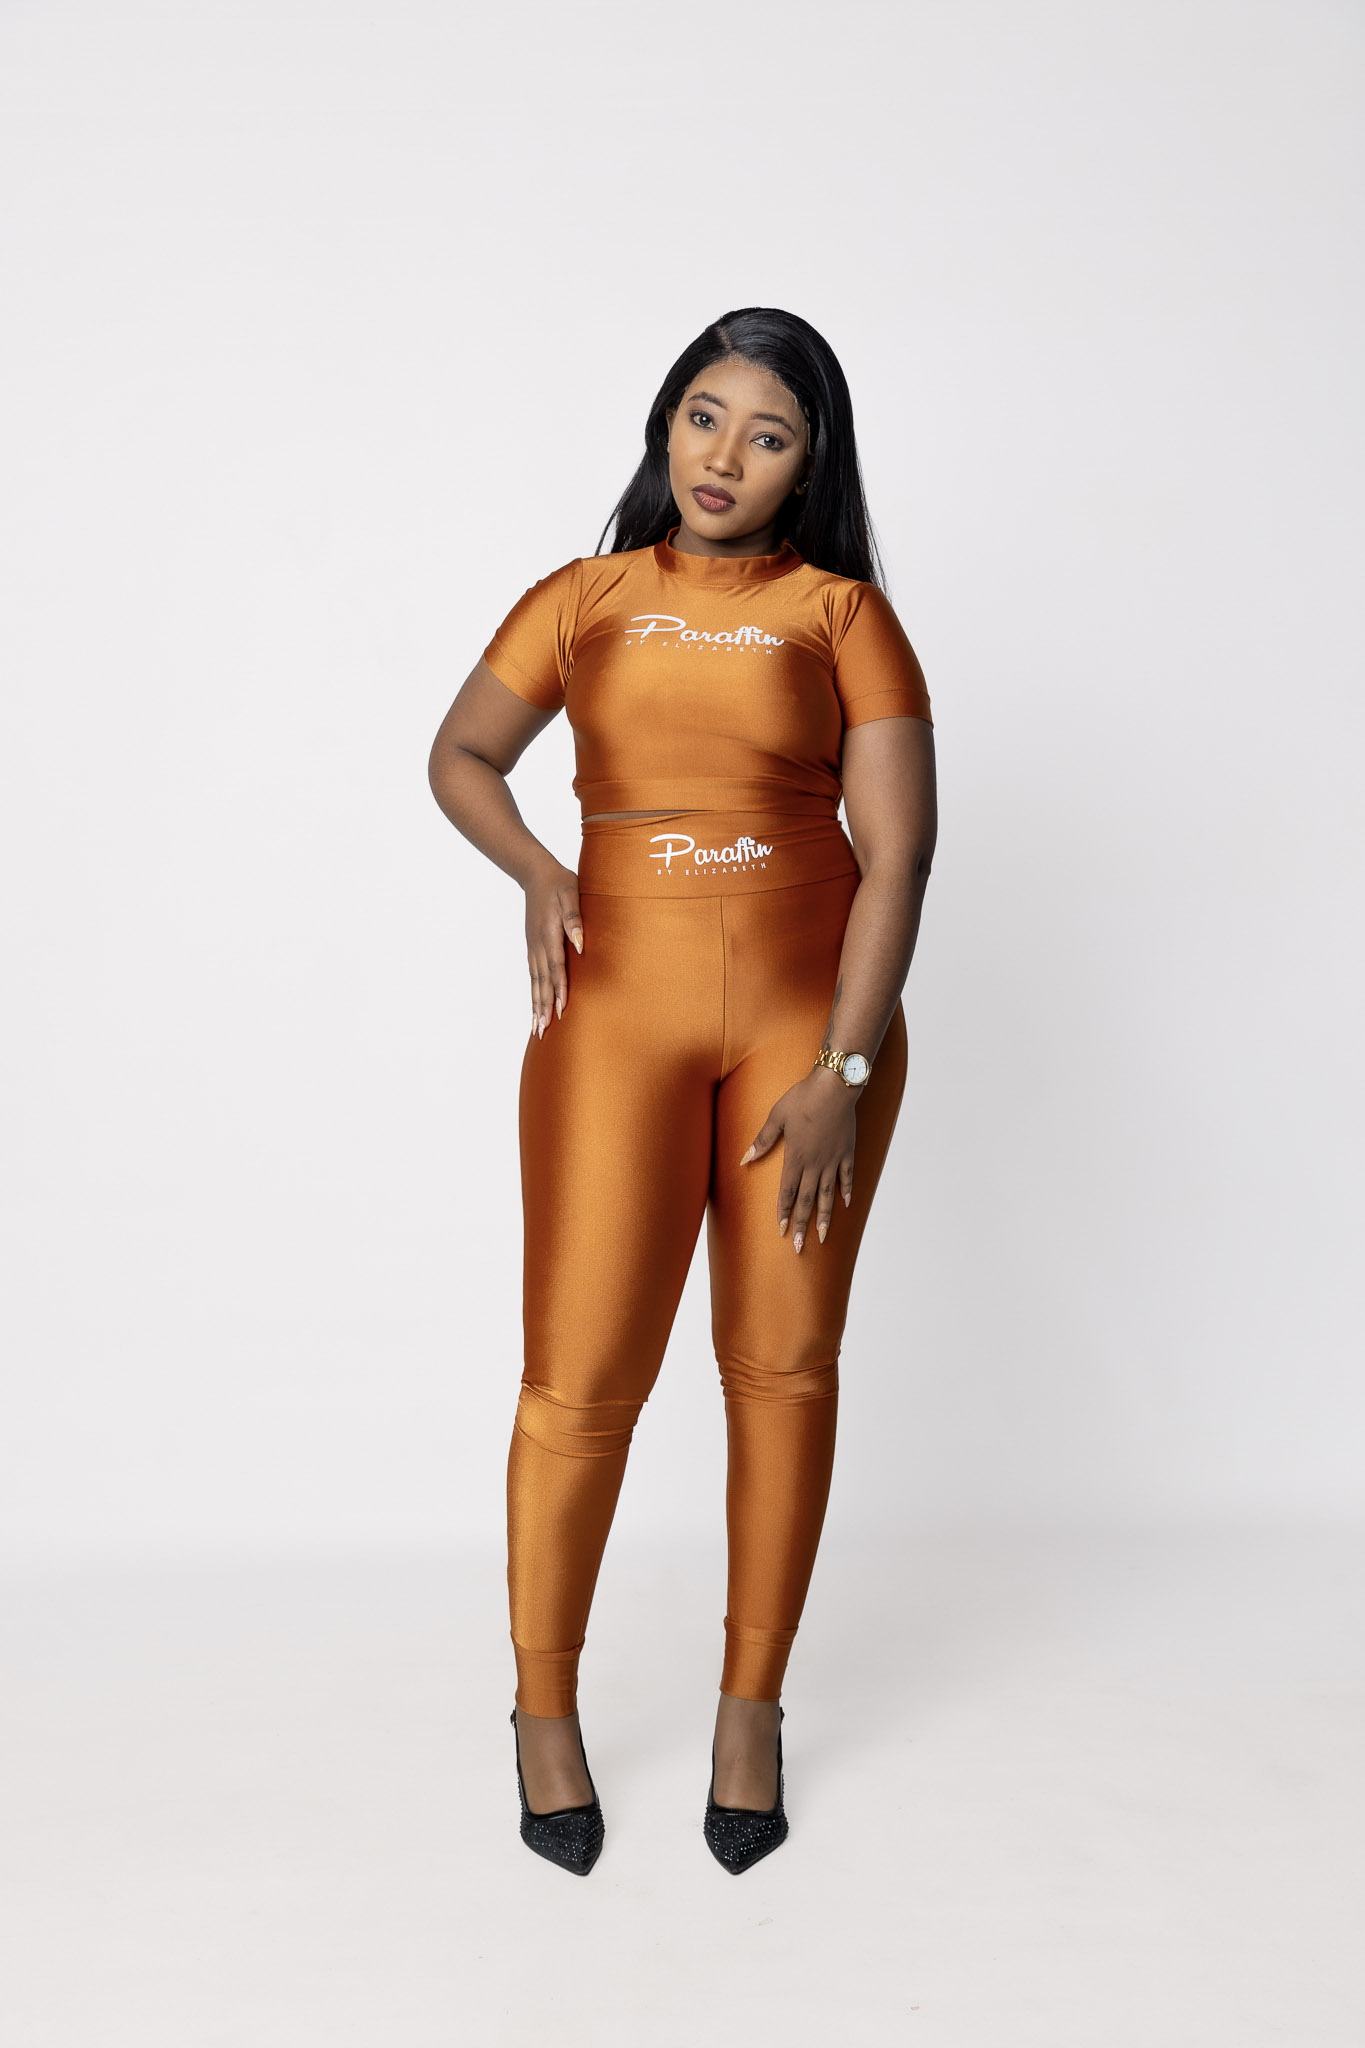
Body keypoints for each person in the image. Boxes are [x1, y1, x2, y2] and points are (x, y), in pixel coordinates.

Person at [427, 306, 937, 1876]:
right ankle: (541, 1708)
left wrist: (845, 1066)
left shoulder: (840, 614)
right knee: (578, 1381)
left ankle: (749, 1708)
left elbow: (899, 854)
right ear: (664, 425)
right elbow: (461, 754)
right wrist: (538, 871)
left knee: (779, 1370)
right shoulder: (579, 599)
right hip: (612, 1019)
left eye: (767, 434)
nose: (725, 456)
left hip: (809, 1035)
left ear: (807, 466)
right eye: (703, 417)